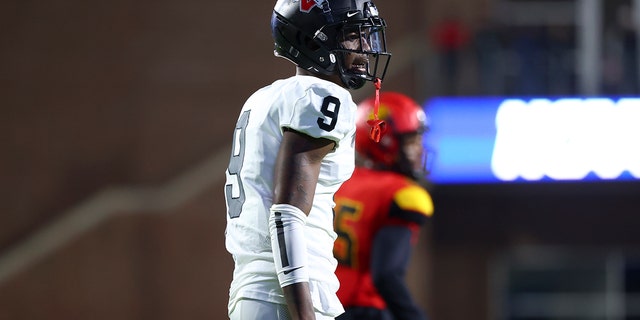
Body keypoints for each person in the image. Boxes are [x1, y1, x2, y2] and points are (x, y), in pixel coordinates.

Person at [223, 0, 392, 319]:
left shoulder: (263, 98)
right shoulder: (323, 97)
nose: (366, 47)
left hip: (255, 292)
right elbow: (286, 214)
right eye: (353, 36)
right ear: (316, 39)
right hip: (290, 295)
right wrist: (304, 314)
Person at [333, 92, 434, 320]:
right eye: (411, 141)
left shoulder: (341, 182)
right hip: (366, 309)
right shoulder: (402, 193)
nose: (419, 150)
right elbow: (386, 276)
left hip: (324, 307)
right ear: (386, 142)